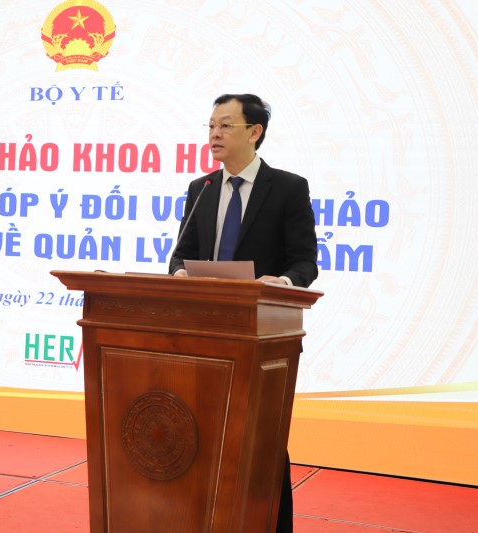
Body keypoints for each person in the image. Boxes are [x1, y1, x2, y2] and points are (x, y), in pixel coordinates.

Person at [169, 93, 318, 532]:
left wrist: (281, 283)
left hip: (260, 336)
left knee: (259, 439)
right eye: (211, 126)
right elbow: (180, 255)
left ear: (255, 132)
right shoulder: (202, 189)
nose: (214, 134)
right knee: (199, 434)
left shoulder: (288, 188)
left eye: (225, 125)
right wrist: (179, 274)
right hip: (205, 333)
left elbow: (304, 262)